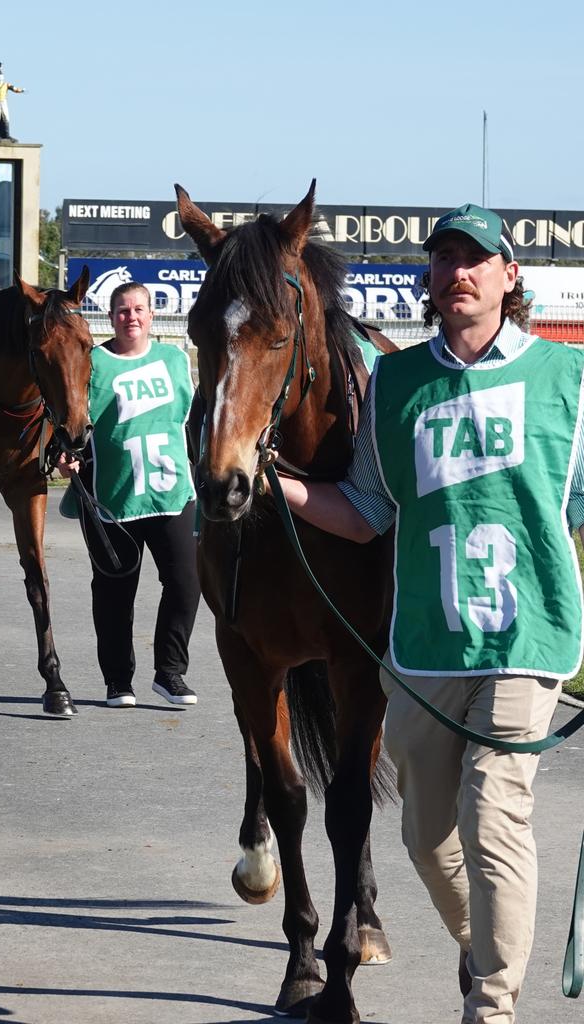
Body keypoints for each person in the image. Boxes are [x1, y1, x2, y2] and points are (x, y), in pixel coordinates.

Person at [272, 203, 584, 1024]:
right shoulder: (399, 383)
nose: (458, 272)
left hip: (528, 634)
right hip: (424, 644)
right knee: (425, 839)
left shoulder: (568, 380)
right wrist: (281, 482)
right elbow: (366, 509)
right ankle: (486, 949)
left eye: (476, 259)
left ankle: (491, 1006)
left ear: (510, 278)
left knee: (494, 812)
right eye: (444, 259)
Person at [59, 282, 201, 708]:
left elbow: (195, 421)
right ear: (110, 314)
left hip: (172, 492)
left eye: (139, 309)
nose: (131, 317)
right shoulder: (93, 364)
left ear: (152, 315)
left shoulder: (175, 360)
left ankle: (170, 673)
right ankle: (118, 680)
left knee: (186, 583)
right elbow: (68, 418)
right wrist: (66, 457)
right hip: (112, 499)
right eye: (122, 310)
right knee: (115, 590)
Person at [0, 62, 24, 143]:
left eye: (2, 76)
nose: (0, 77)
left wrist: (21, 90)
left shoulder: (6, 84)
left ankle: (7, 135)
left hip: (4, 101)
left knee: (6, 117)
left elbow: (14, 89)